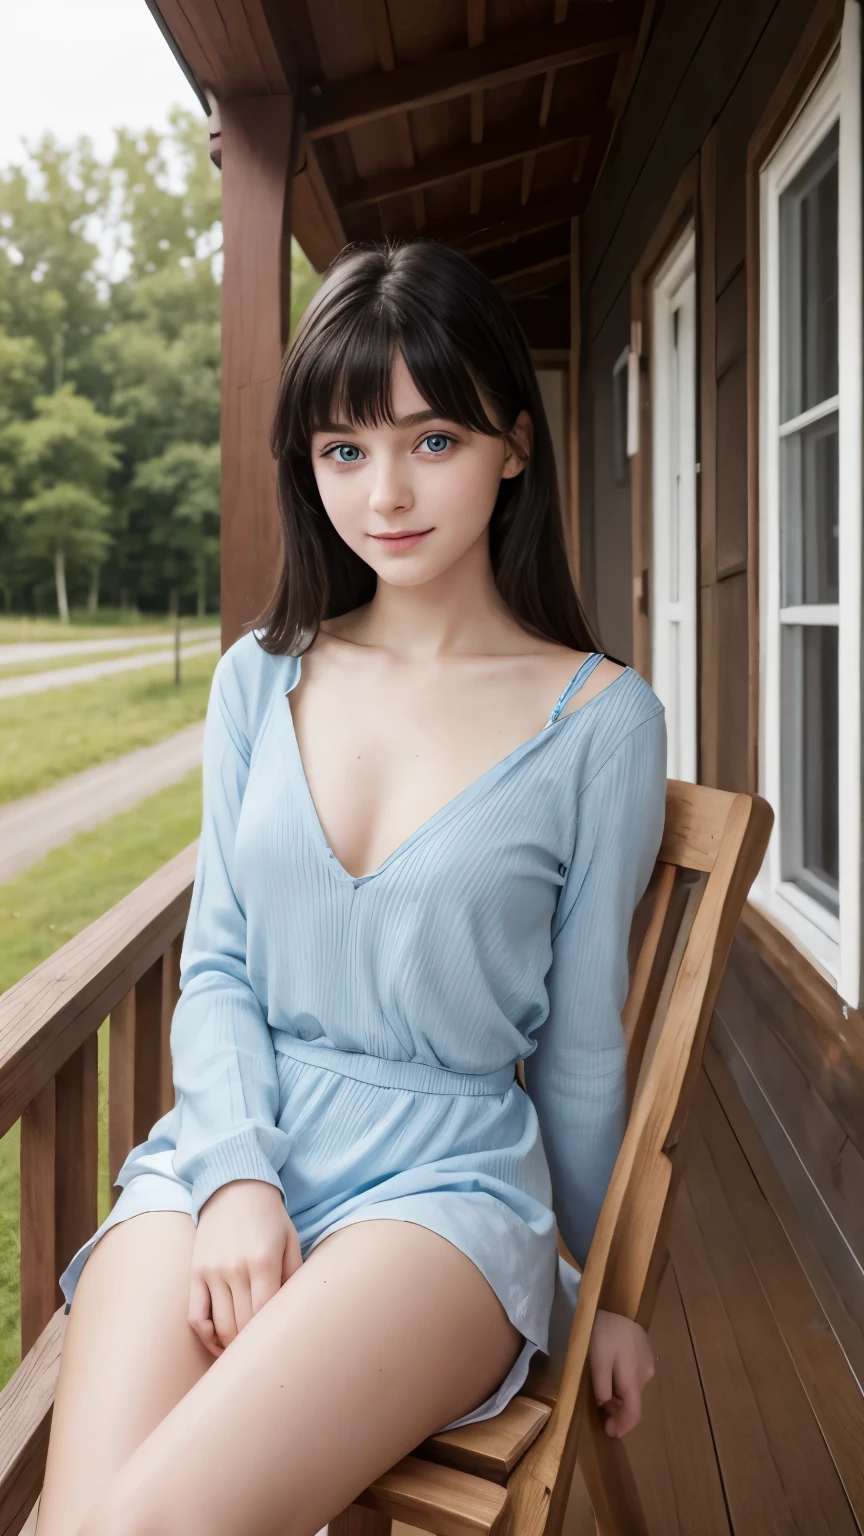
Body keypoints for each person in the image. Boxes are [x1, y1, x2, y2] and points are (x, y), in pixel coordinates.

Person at [37, 239, 665, 1536]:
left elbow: (585, 1055)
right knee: (78, 1519)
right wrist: (235, 1179)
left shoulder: (601, 720)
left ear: (516, 444)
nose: (385, 492)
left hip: (446, 1191)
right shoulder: (258, 681)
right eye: (343, 449)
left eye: (432, 440)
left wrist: (599, 1289)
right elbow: (215, 970)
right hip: (235, 1145)